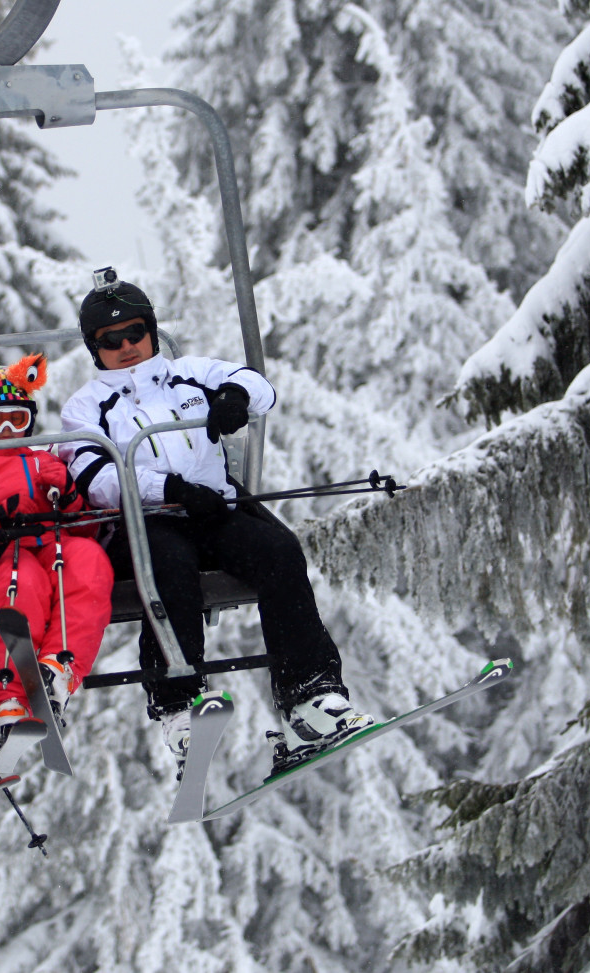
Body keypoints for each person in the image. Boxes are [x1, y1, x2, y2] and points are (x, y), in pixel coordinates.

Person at [58, 274, 374, 778]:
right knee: (170, 567)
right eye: (109, 341)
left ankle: (309, 696)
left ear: (152, 331)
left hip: (215, 512)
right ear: (94, 349)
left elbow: (258, 385)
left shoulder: (190, 373)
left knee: (279, 552)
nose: (126, 348)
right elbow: (96, 478)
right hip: (149, 523)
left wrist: (232, 398)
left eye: (135, 333)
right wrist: (171, 491)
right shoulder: (85, 407)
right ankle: (177, 703)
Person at [0, 354, 112, 760]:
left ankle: (56, 668)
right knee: (22, 581)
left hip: (49, 544)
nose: (7, 432)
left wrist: (67, 496)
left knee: (88, 559)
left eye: (17, 420)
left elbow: (85, 527)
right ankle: (7, 696)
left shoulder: (45, 460)